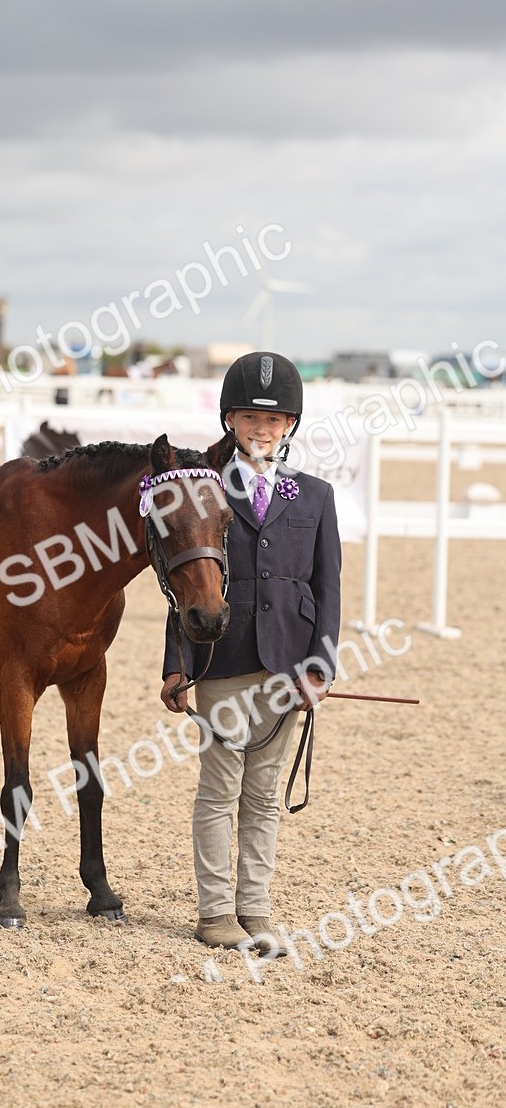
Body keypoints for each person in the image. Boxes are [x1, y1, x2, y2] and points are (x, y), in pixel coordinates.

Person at [160, 351, 341, 955]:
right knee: (219, 788)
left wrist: (321, 663)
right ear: (229, 421)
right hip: (223, 658)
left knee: (264, 794)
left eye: (274, 420)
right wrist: (177, 665)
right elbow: (184, 582)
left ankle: (255, 910)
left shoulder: (314, 496)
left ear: (289, 425)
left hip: (287, 664)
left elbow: (328, 586)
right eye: (248, 418)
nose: (261, 429)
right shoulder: (204, 491)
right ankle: (215, 915)